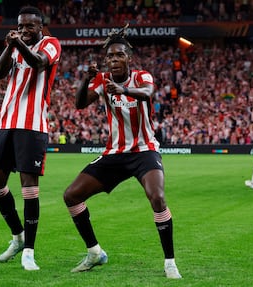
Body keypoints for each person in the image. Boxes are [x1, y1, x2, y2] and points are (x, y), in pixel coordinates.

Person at [63, 25, 182, 279]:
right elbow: (80, 104)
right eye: (110, 57)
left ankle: (170, 262)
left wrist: (124, 90)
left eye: (119, 55)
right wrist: (87, 78)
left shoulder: (141, 77)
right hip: (114, 154)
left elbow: (148, 93)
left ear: (129, 58)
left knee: (157, 197)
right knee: (71, 196)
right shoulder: (102, 81)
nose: (114, 60)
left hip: (144, 151)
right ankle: (95, 252)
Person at [0, 6, 61, 271]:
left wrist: (19, 44)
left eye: (30, 26)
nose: (25, 30)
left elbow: (38, 63)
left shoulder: (51, 44)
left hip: (32, 126)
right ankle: (17, 236)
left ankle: (29, 251)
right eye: (21, 26)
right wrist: (9, 46)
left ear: (40, 27)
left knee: (29, 188)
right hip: (6, 123)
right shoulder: (17, 44)